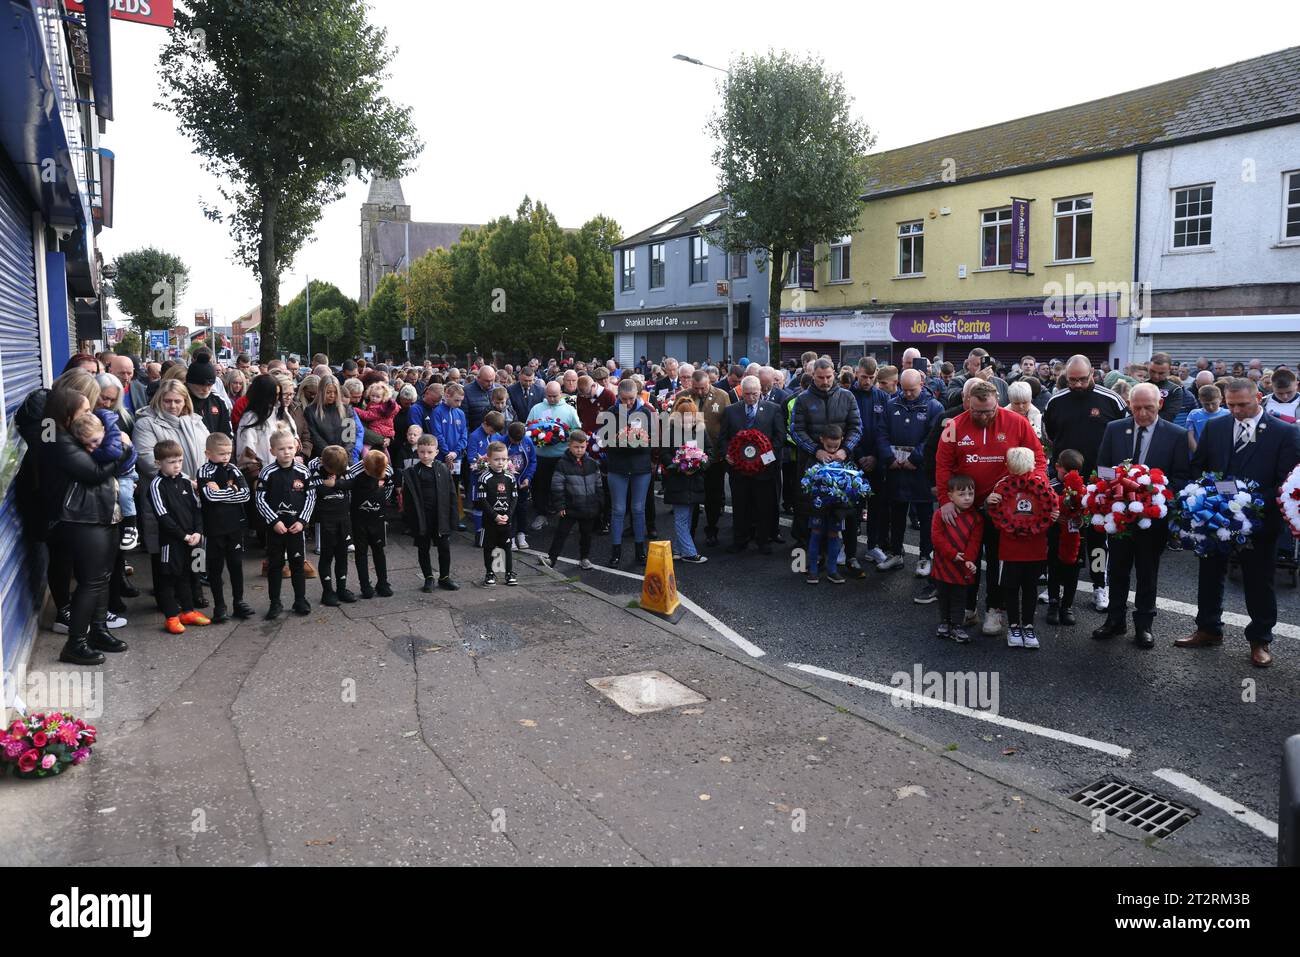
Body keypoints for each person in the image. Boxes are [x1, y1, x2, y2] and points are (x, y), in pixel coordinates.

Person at [1179, 379, 1300, 667]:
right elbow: (1199, 465)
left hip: (1259, 522)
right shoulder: (1216, 426)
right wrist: (1206, 494)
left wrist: (1247, 502)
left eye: (1242, 404)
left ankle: (1260, 639)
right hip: (1215, 519)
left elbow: (1286, 483)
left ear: (1259, 397)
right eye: (1230, 405)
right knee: (1209, 574)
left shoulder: (1285, 433)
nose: (1235, 410)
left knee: (1258, 581)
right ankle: (1208, 628)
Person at [935, 380, 1046, 636]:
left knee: (998, 560)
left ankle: (995, 609)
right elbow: (943, 466)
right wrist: (945, 501)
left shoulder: (1017, 422)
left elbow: (1038, 459)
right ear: (967, 404)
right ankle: (968, 608)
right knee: (967, 557)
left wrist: (1036, 486)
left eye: (988, 411)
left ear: (997, 402)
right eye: (977, 412)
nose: (984, 416)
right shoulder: (953, 426)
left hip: (1004, 509)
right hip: (966, 507)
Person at [1091, 383, 1191, 648]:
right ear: (1129, 405)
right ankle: (1115, 620)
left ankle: (1144, 625)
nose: (1143, 413)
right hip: (1119, 515)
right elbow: (1102, 469)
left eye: (1148, 407)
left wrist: (1154, 492)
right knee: (1117, 569)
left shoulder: (1177, 434)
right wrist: (1116, 487)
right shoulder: (1115, 428)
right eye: (1137, 407)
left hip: (1152, 517)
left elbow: (1182, 477)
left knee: (1148, 572)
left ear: (1159, 404)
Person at [1043, 355, 1127, 613]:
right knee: (1060, 534)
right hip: (1065, 481)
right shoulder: (1056, 400)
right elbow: (1050, 435)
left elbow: (1123, 436)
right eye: (1072, 380)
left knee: (1098, 537)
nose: (1077, 384)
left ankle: (1100, 586)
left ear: (1093, 373)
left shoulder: (1111, 400)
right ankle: (1054, 585)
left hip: (1099, 482)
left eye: (1082, 379)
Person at [879, 369, 943, 588]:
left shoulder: (934, 407)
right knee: (896, 514)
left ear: (921, 383)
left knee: (925, 516)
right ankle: (896, 553)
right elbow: (882, 433)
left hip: (920, 471)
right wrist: (889, 458)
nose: (907, 394)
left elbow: (932, 438)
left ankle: (925, 556)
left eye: (912, 390)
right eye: (903, 389)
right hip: (896, 469)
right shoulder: (890, 404)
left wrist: (915, 458)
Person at [992, 447, 1060, 649]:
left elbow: (1052, 506)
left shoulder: (1041, 484)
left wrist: (1054, 515)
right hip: (1011, 548)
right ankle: (1015, 626)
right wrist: (989, 501)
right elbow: (995, 510)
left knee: (1029, 588)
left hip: (1034, 547)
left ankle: (1027, 626)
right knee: (1013, 588)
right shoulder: (1002, 486)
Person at [791, 358, 863, 545]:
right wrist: (816, 451)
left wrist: (845, 450)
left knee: (844, 508)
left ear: (835, 374)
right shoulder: (802, 399)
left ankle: (846, 554)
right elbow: (796, 431)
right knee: (812, 508)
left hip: (842, 463)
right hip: (812, 463)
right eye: (820, 377)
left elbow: (856, 428)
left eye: (828, 377)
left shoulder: (848, 397)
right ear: (812, 376)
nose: (825, 381)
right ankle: (812, 550)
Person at [147, 437, 210, 636]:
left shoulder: (185, 481)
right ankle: (172, 616)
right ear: (158, 463)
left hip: (193, 539)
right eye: (171, 462)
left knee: (189, 573)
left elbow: (197, 508)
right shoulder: (156, 485)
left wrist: (198, 532)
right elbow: (162, 515)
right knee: (169, 577)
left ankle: (188, 611)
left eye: (179, 461)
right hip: (171, 542)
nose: (177, 466)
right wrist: (183, 536)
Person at [718, 374, 785, 553]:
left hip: (764, 471)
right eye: (747, 394)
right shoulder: (731, 411)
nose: (751, 398)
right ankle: (740, 540)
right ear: (741, 393)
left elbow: (779, 439)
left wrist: (765, 460)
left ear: (760, 392)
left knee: (763, 507)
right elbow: (723, 438)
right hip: (739, 471)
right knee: (740, 507)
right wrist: (727, 455)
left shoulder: (774, 409)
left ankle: (763, 541)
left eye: (754, 394)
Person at [256, 429, 315, 619]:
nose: (286, 452)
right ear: (272, 451)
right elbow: (259, 499)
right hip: (276, 529)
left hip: (296, 527)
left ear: (297, 447)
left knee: (298, 564)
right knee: (275, 565)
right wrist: (273, 521)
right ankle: (275, 603)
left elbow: (311, 497)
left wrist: (303, 521)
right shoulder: (267, 472)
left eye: (290, 448)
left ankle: (300, 600)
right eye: (281, 449)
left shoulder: (303, 471)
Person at [197, 432, 254, 623]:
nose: (226, 457)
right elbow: (209, 497)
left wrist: (223, 491)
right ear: (208, 453)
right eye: (221, 453)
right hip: (214, 529)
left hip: (235, 527)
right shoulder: (204, 472)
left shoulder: (234, 470)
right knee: (215, 568)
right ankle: (219, 606)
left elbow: (245, 495)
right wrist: (232, 491)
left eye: (228, 453)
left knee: (236, 565)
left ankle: (239, 602)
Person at [600, 377, 654, 568]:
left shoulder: (646, 413)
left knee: (638, 509)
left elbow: (652, 442)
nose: (628, 402)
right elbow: (604, 442)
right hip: (618, 467)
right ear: (618, 397)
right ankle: (616, 551)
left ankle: (640, 551)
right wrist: (620, 440)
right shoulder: (611, 413)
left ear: (637, 395)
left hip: (641, 467)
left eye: (631, 398)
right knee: (618, 510)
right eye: (624, 399)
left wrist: (637, 441)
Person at [402, 433, 460, 592]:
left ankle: (444, 577)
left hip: (440, 518)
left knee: (444, 548)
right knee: (423, 548)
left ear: (436, 452)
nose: (425, 455)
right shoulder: (413, 472)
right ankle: (428, 578)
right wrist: (409, 521)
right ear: (418, 452)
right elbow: (408, 500)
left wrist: (453, 518)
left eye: (429, 452)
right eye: (422, 452)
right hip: (422, 519)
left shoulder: (443, 468)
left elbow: (452, 495)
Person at [930, 474, 982, 643]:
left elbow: (975, 542)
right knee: (943, 595)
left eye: (970, 494)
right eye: (962, 494)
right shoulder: (940, 515)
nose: (967, 498)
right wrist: (952, 553)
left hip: (961, 567)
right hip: (943, 564)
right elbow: (937, 538)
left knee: (959, 597)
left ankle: (957, 626)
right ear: (950, 496)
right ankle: (944, 622)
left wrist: (969, 559)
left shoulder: (976, 518)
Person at [525, 380, 582, 528]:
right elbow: (527, 428)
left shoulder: (569, 410)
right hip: (541, 456)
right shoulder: (537, 408)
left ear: (561, 394)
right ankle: (541, 514)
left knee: (563, 488)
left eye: (555, 396)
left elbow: (577, 430)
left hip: (561, 456)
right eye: (549, 396)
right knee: (540, 487)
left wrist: (564, 435)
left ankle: (565, 519)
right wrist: (536, 436)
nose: (551, 399)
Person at [544, 429, 602, 569]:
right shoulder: (562, 464)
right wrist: (560, 506)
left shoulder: (592, 463)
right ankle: (551, 558)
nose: (579, 450)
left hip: (588, 507)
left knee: (586, 535)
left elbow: (598, 484)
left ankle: (584, 558)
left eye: (582, 447)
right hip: (570, 507)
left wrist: (600, 503)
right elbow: (557, 487)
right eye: (576, 447)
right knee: (561, 533)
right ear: (569, 445)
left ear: (587, 445)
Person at [661, 397, 709, 564]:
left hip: (695, 480)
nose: (688, 418)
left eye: (691, 415)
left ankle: (677, 550)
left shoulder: (701, 430)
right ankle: (689, 553)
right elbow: (664, 454)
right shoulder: (671, 431)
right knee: (682, 517)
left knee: (687, 517)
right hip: (678, 481)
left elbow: (709, 451)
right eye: (684, 415)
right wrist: (678, 466)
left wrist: (700, 464)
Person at [308, 445, 356, 606]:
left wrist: (334, 484)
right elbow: (317, 489)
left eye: (338, 472)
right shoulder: (315, 467)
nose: (335, 474)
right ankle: (327, 591)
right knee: (327, 556)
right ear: (322, 461)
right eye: (331, 470)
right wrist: (326, 484)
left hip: (343, 518)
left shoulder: (343, 466)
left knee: (342, 555)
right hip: (326, 520)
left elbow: (352, 483)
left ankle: (342, 588)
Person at [804, 425, 851, 584]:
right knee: (815, 533)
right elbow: (806, 482)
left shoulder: (845, 458)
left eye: (835, 446)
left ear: (842, 441)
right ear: (821, 440)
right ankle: (813, 571)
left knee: (833, 535)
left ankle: (832, 570)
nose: (831, 450)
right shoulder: (814, 458)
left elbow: (853, 481)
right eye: (828, 446)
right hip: (818, 506)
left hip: (837, 508)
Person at [1045, 448, 1086, 627]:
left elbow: (1089, 513)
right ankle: (1053, 604)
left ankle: (1067, 606)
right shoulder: (1049, 487)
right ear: (1057, 467)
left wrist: (1082, 520)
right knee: (1054, 570)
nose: (1069, 475)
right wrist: (1053, 516)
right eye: (1065, 471)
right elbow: (1042, 510)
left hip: (1076, 537)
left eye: (1074, 471)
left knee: (1073, 572)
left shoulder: (1083, 490)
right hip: (1055, 536)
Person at [348, 449, 395, 599]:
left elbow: (389, 486)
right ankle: (365, 585)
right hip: (359, 518)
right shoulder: (354, 471)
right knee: (361, 552)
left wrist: (381, 500)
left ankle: (383, 583)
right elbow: (348, 491)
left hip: (377, 517)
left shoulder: (387, 470)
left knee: (379, 550)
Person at [474, 441, 519, 586]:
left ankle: (509, 573)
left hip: (506, 519)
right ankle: (490, 573)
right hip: (490, 521)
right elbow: (482, 501)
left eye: (504, 459)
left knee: (507, 546)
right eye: (497, 459)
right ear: (488, 459)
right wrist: (495, 516)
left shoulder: (510, 477)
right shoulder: (484, 478)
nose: (501, 462)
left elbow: (514, 498)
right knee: (489, 547)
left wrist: (509, 515)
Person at [466, 411, 505, 544]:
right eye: (492, 430)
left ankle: (490, 533)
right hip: (478, 480)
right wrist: (484, 462)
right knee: (478, 506)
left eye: (495, 432)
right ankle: (479, 533)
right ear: (485, 424)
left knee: (491, 506)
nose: (493, 433)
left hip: (493, 481)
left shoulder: (496, 436)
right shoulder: (474, 436)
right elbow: (471, 459)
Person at [505, 420, 538, 548]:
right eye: (515, 441)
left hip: (522, 484)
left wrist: (528, 478)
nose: (518, 443)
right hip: (508, 484)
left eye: (520, 441)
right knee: (509, 510)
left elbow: (533, 461)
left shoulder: (527, 441)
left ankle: (521, 534)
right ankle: (510, 536)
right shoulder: (502, 443)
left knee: (522, 509)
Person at [187, 352, 232, 438]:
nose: (206, 389)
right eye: (201, 385)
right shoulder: (180, 401)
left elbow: (227, 432)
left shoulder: (218, 402)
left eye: (209, 385)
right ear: (190, 383)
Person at [1147, 353, 1187, 423]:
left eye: (1161, 373)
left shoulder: (1175, 390)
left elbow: (1169, 416)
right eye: (1152, 371)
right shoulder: (1139, 386)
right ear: (1148, 367)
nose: (1156, 376)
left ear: (1169, 370)